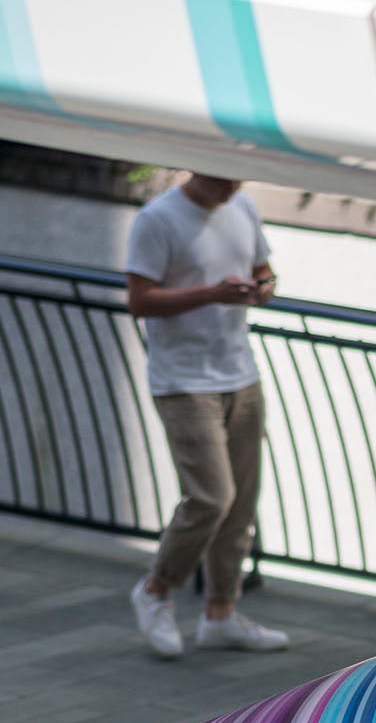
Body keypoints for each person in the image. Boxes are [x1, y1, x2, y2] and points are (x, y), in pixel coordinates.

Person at [125, 169, 291, 658]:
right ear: (195, 166)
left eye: (239, 177)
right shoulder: (157, 219)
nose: (233, 186)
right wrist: (211, 294)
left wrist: (263, 289)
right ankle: (156, 589)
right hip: (183, 381)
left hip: (240, 374)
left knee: (241, 506)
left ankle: (221, 613)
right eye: (223, 178)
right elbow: (139, 300)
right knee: (211, 498)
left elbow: (265, 271)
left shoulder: (243, 205)